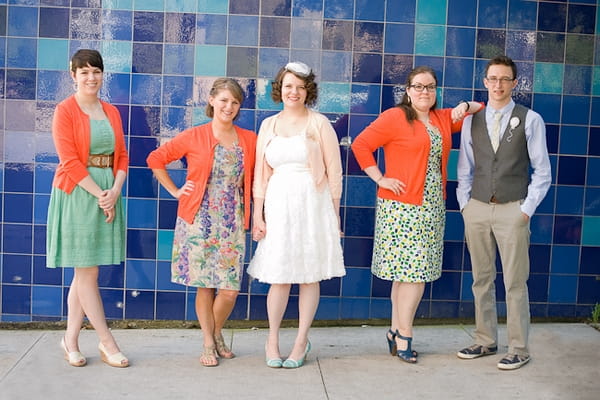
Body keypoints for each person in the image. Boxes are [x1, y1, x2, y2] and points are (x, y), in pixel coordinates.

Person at [352, 66, 483, 364]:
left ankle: (395, 331)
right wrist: (380, 178)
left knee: (407, 275)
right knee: (413, 274)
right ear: (408, 90)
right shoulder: (395, 117)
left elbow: (480, 107)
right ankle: (405, 336)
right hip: (402, 206)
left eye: (431, 87)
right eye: (419, 86)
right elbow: (361, 145)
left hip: (432, 206)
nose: (425, 92)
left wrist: (464, 106)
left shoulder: (440, 118)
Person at [146, 78, 256, 367]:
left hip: (232, 218)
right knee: (205, 286)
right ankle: (209, 341)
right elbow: (156, 158)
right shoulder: (195, 136)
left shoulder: (249, 139)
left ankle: (216, 330)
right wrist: (175, 190)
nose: (228, 107)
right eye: (223, 100)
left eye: (234, 102)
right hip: (199, 219)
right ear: (211, 100)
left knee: (230, 289)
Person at [248, 62, 346, 369]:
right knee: (279, 274)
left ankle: (301, 340)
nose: (294, 92)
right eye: (289, 86)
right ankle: (272, 340)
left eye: (301, 87)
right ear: (280, 89)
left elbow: (334, 172)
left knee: (308, 275)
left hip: (313, 204)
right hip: (278, 203)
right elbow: (260, 176)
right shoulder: (269, 125)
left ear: (308, 91)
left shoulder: (319, 123)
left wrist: (335, 215)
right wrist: (258, 216)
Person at [456, 55, 551, 370]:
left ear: (514, 83)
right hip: (478, 208)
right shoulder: (472, 119)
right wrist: (465, 204)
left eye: (504, 79)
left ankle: (519, 348)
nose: (498, 85)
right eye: (492, 79)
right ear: (485, 82)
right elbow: (465, 167)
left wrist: (526, 210)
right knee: (480, 278)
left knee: (514, 281)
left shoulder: (530, 119)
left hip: (513, 209)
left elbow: (542, 171)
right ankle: (485, 340)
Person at [46, 49, 129, 368]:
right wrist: (100, 195)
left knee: (84, 272)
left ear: (102, 74)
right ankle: (107, 342)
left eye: (96, 71)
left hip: (108, 191)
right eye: (84, 72)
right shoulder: (64, 110)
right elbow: (68, 162)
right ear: (73, 75)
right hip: (79, 195)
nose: (91, 77)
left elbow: (121, 156)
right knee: (87, 272)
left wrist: (115, 192)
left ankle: (69, 340)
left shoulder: (111, 111)